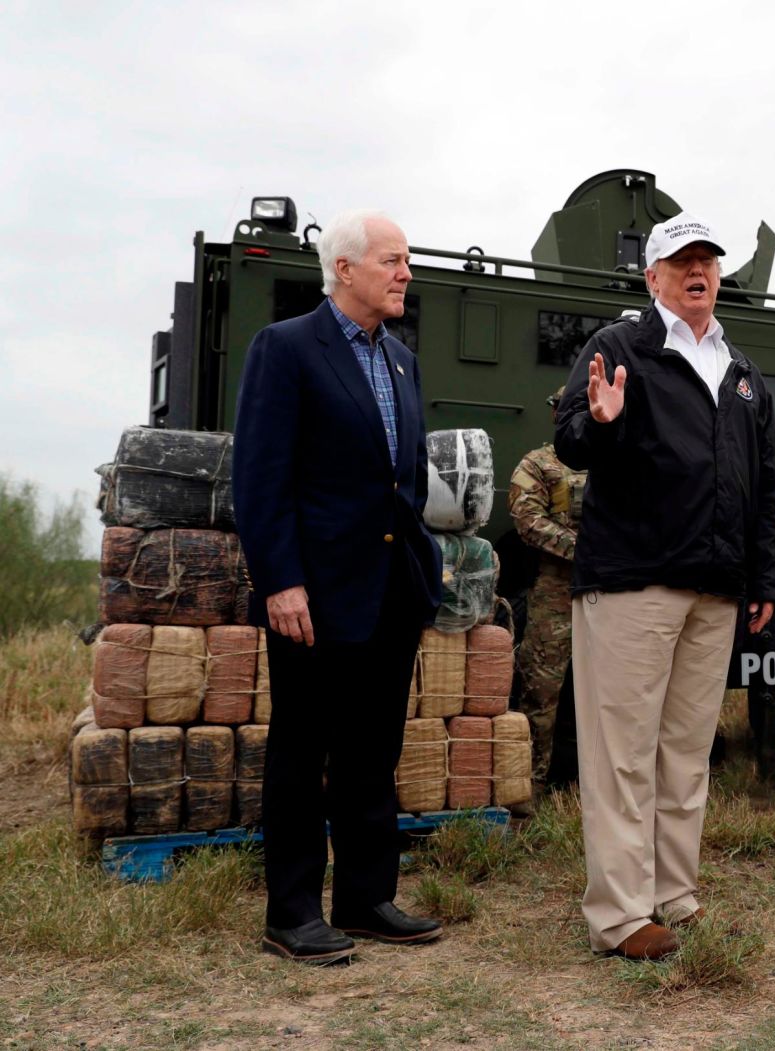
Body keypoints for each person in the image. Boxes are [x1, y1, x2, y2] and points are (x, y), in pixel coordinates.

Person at [554, 212, 775, 960]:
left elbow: (765, 486)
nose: (698, 271)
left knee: (686, 752)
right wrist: (601, 421)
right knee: (624, 753)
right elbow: (571, 439)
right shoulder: (619, 348)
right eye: (682, 260)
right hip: (633, 582)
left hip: (716, 587)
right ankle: (621, 915)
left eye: (708, 260)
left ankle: (673, 895)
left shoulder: (743, 373)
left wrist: (762, 578)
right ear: (651, 277)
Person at [233, 210, 445, 964]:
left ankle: (365, 897)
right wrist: (281, 580)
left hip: (390, 590)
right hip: (314, 595)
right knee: (301, 750)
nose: (405, 273)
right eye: (393, 259)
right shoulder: (286, 348)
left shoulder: (401, 361)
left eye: (407, 260)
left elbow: (404, 481)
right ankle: (290, 913)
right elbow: (259, 478)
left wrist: (424, 570)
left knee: (372, 749)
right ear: (345, 269)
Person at [506, 386, 586, 809]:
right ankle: (529, 788)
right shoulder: (538, 465)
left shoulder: (619, 461)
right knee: (541, 692)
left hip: (613, 595)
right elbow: (529, 522)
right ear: (556, 415)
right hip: (557, 594)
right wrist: (590, 551)